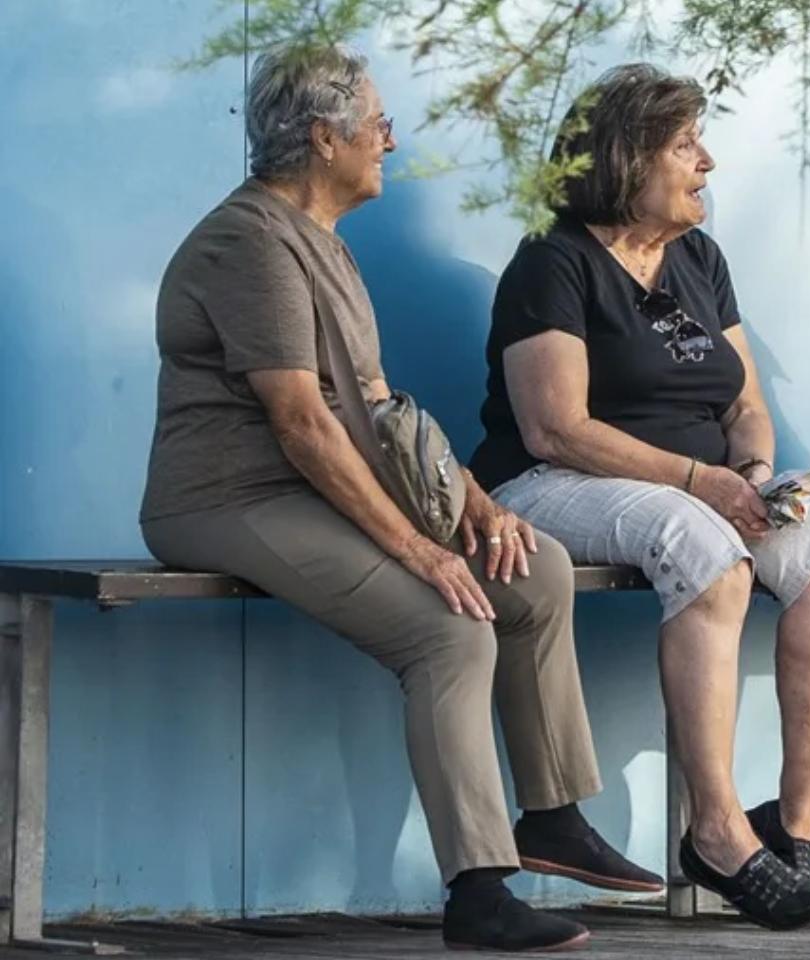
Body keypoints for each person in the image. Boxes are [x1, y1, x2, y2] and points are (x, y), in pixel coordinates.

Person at [140, 45, 659, 953]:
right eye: (377, 123)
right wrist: (420, 551)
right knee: (446, 628)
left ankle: (550, 814)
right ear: (321, 136)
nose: (389, 139)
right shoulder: (249, 243)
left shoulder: (322, 243)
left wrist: (474, 506)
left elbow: (378, 410)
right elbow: (303, 425)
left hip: (306, 490)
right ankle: (479, 891)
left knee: (532, 569)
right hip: (227, 499)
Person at [469, 63, 810, 932]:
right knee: (708, 553)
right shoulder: (552, 262)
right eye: (686, 145)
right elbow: (555, 428)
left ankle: (794, 829)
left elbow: (745, 404)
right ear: (626, 157)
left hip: (706, 487)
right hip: (551, 484)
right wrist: (701, 482)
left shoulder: (697, 259)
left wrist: (753, 476)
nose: (707, 162)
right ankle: (716, 831)